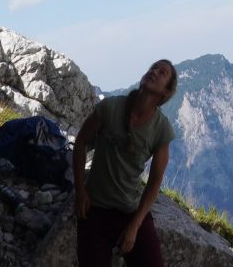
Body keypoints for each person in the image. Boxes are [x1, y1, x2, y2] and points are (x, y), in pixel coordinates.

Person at [74, 60, 179, 267]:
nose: (154, 72)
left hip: (130, 212)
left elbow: (155, 181)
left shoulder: (162, 129)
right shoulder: (110, 107)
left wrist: (135, 226)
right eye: (153, 68)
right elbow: (81, 142)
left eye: (162, 72)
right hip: (94, 209)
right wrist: (80, 191)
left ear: (165, 93)